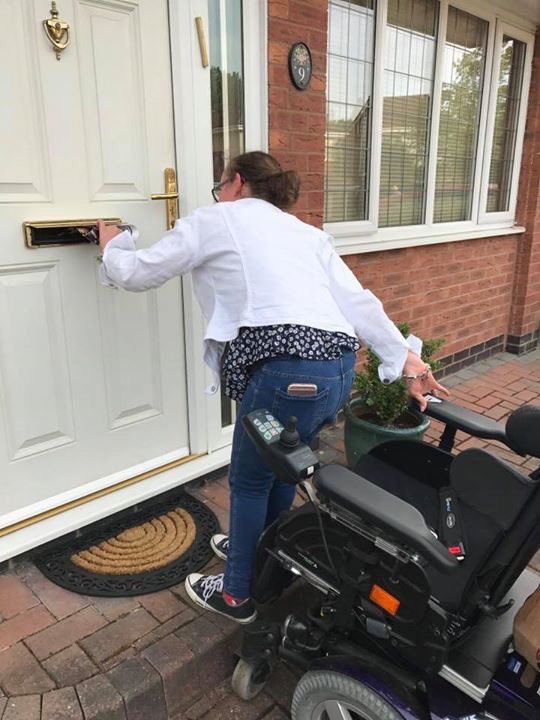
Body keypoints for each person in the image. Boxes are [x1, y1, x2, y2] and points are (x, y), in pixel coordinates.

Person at [98, 151, 448, 624]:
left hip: (286, 373)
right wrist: (406, 359)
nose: (219, 195)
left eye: (220, 186)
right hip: (337, 369)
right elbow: (359, 303)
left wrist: (114, 246)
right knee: (283, 470)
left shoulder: (216, 220)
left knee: (249, 481)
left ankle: (236, 595)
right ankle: (268, 558)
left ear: (237, 182)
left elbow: (138, 272)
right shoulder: (306, 234)